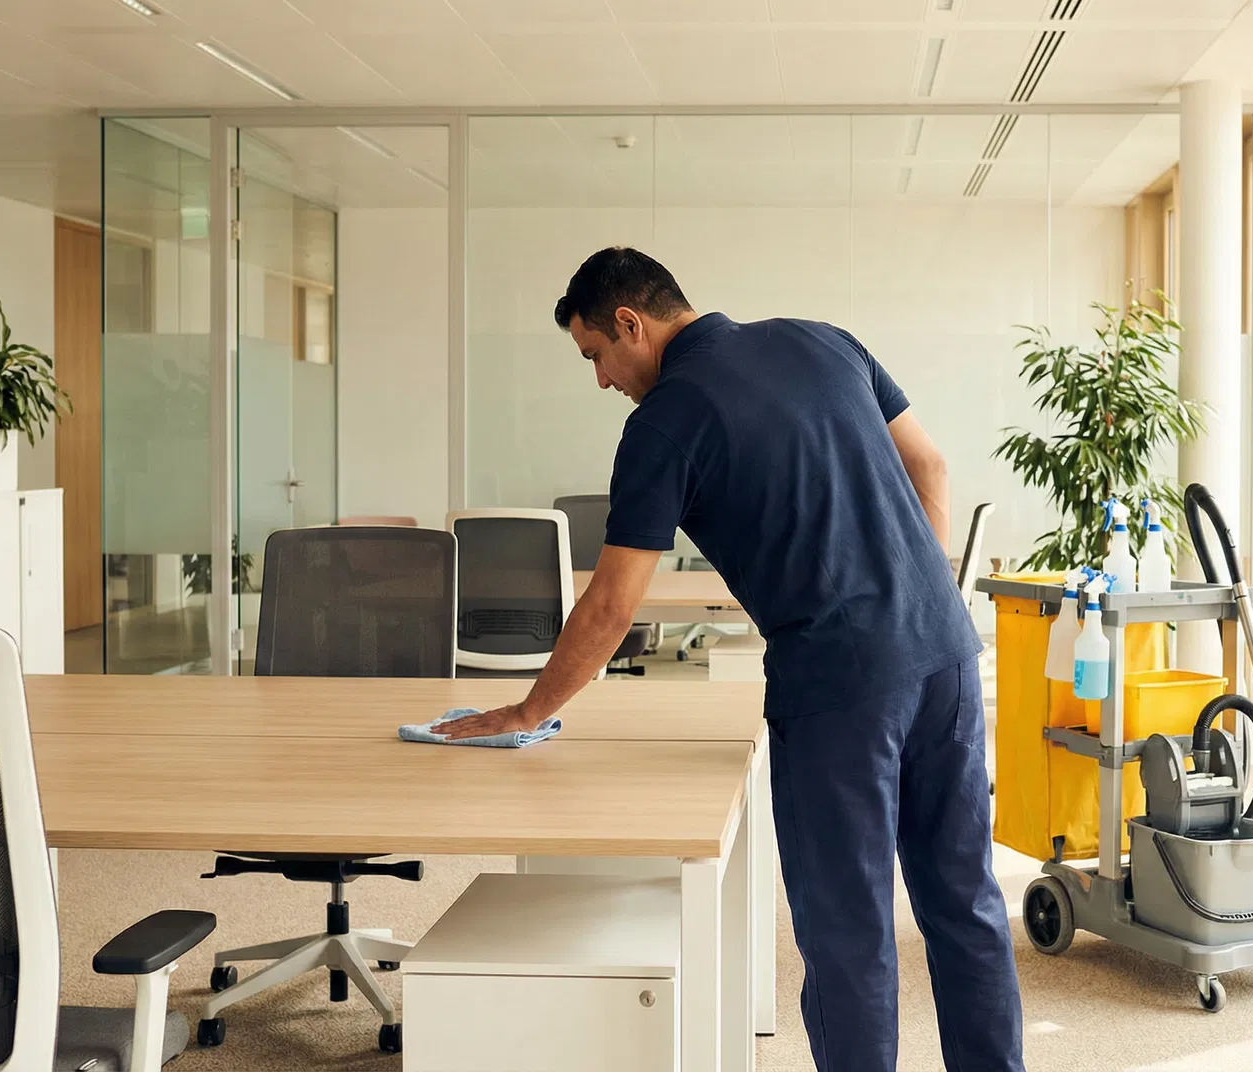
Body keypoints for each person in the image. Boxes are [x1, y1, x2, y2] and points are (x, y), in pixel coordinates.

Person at [435, 247, 1024, 1072]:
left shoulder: (666, 422)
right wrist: (916, 597)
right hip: (946, 657)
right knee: (965, 904)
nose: (602, 380)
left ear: (630, 324)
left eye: (596, 355)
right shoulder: (824, 340)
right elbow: (929, 462)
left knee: (849, 934)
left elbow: (611, 604)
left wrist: (530, 711)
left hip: (839, 687)